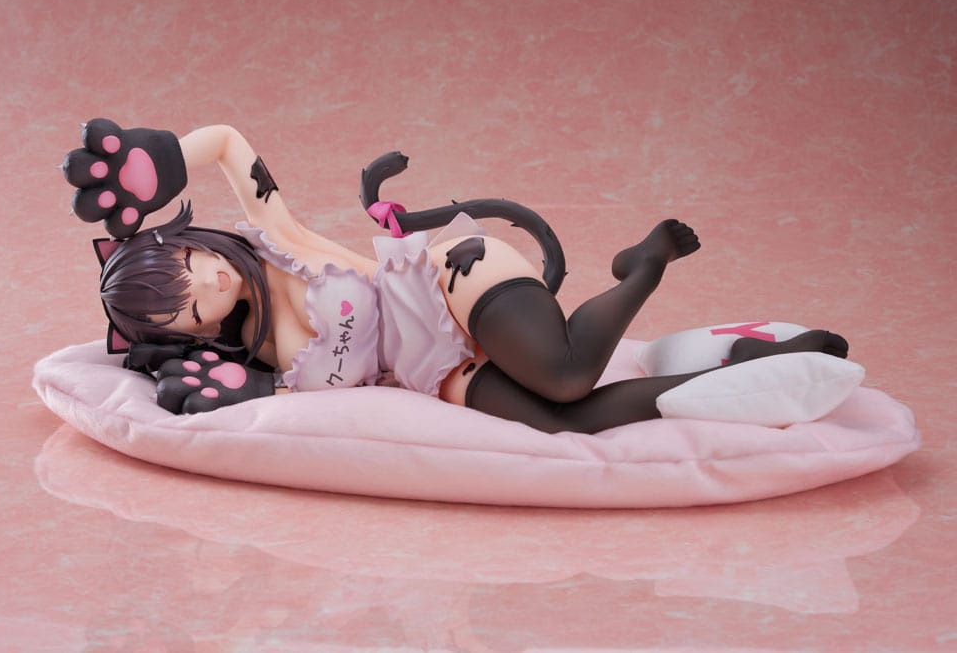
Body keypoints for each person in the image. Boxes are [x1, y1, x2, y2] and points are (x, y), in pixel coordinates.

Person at [63, 119, 849, 433]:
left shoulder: (276, 238)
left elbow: (229, 143)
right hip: (432, 370)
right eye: (185, 310)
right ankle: (746, 373)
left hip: (448, 282)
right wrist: (232, 390)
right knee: (565, 424)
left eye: (188, 266)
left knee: (566, 373)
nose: (205, 287)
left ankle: (642, 267)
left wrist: (156, 160)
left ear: (191, 240)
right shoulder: (262, 363)